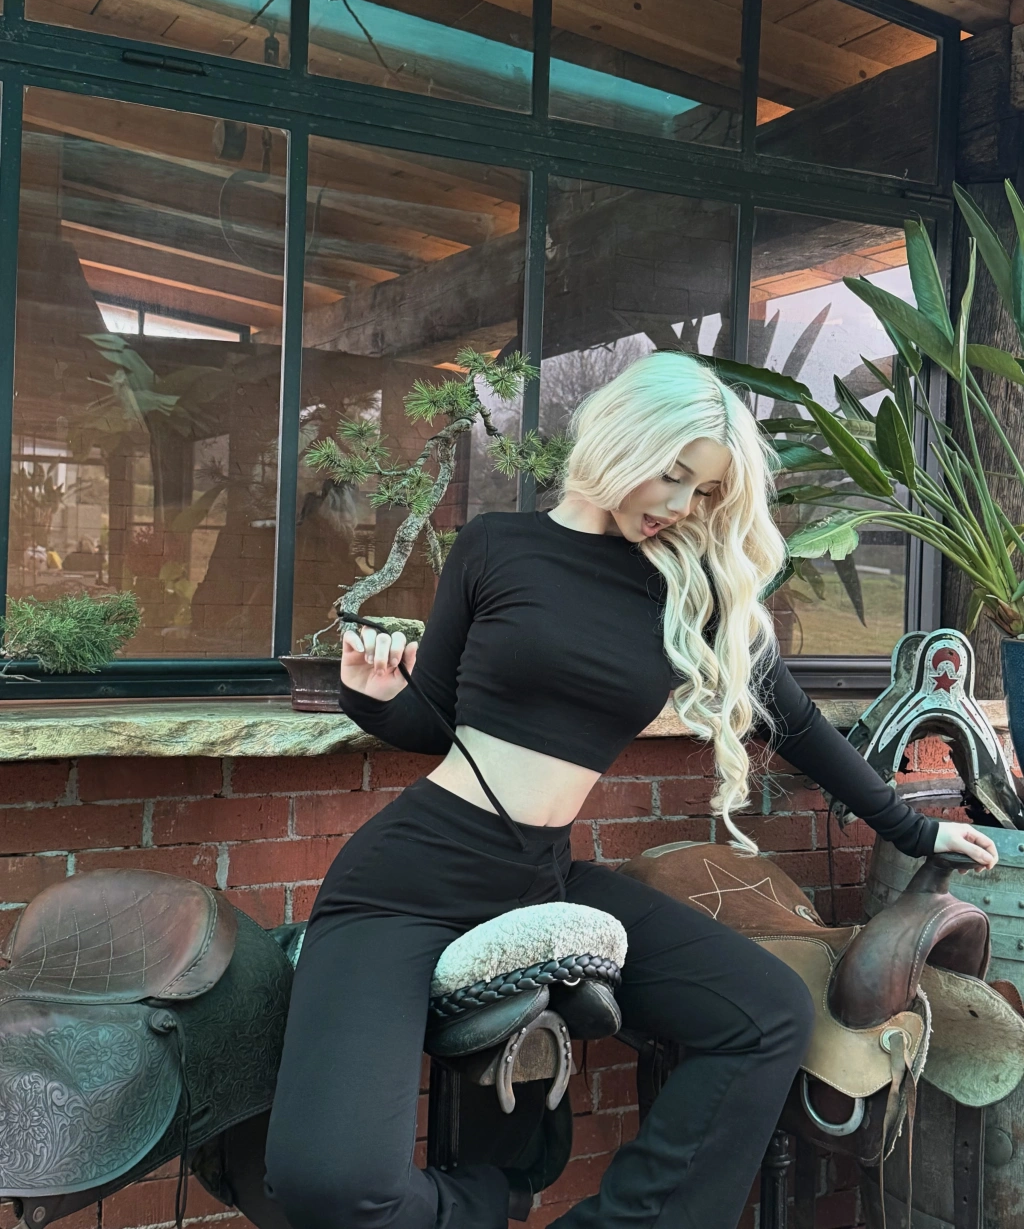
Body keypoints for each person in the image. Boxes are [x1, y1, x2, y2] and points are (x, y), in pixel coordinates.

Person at [265, 350, 997, 1229]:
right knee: (328, 1185)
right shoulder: (494, 544)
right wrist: (370, 693)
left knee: (768, 1012)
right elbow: (436, 720)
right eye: (674, 475)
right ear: (623, 437)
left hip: (542, 876)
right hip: (408, 878)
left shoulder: (690, 587)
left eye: (705, 492)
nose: (682, 506)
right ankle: (492, 1199)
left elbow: (794, 722)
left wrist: (916, 829)